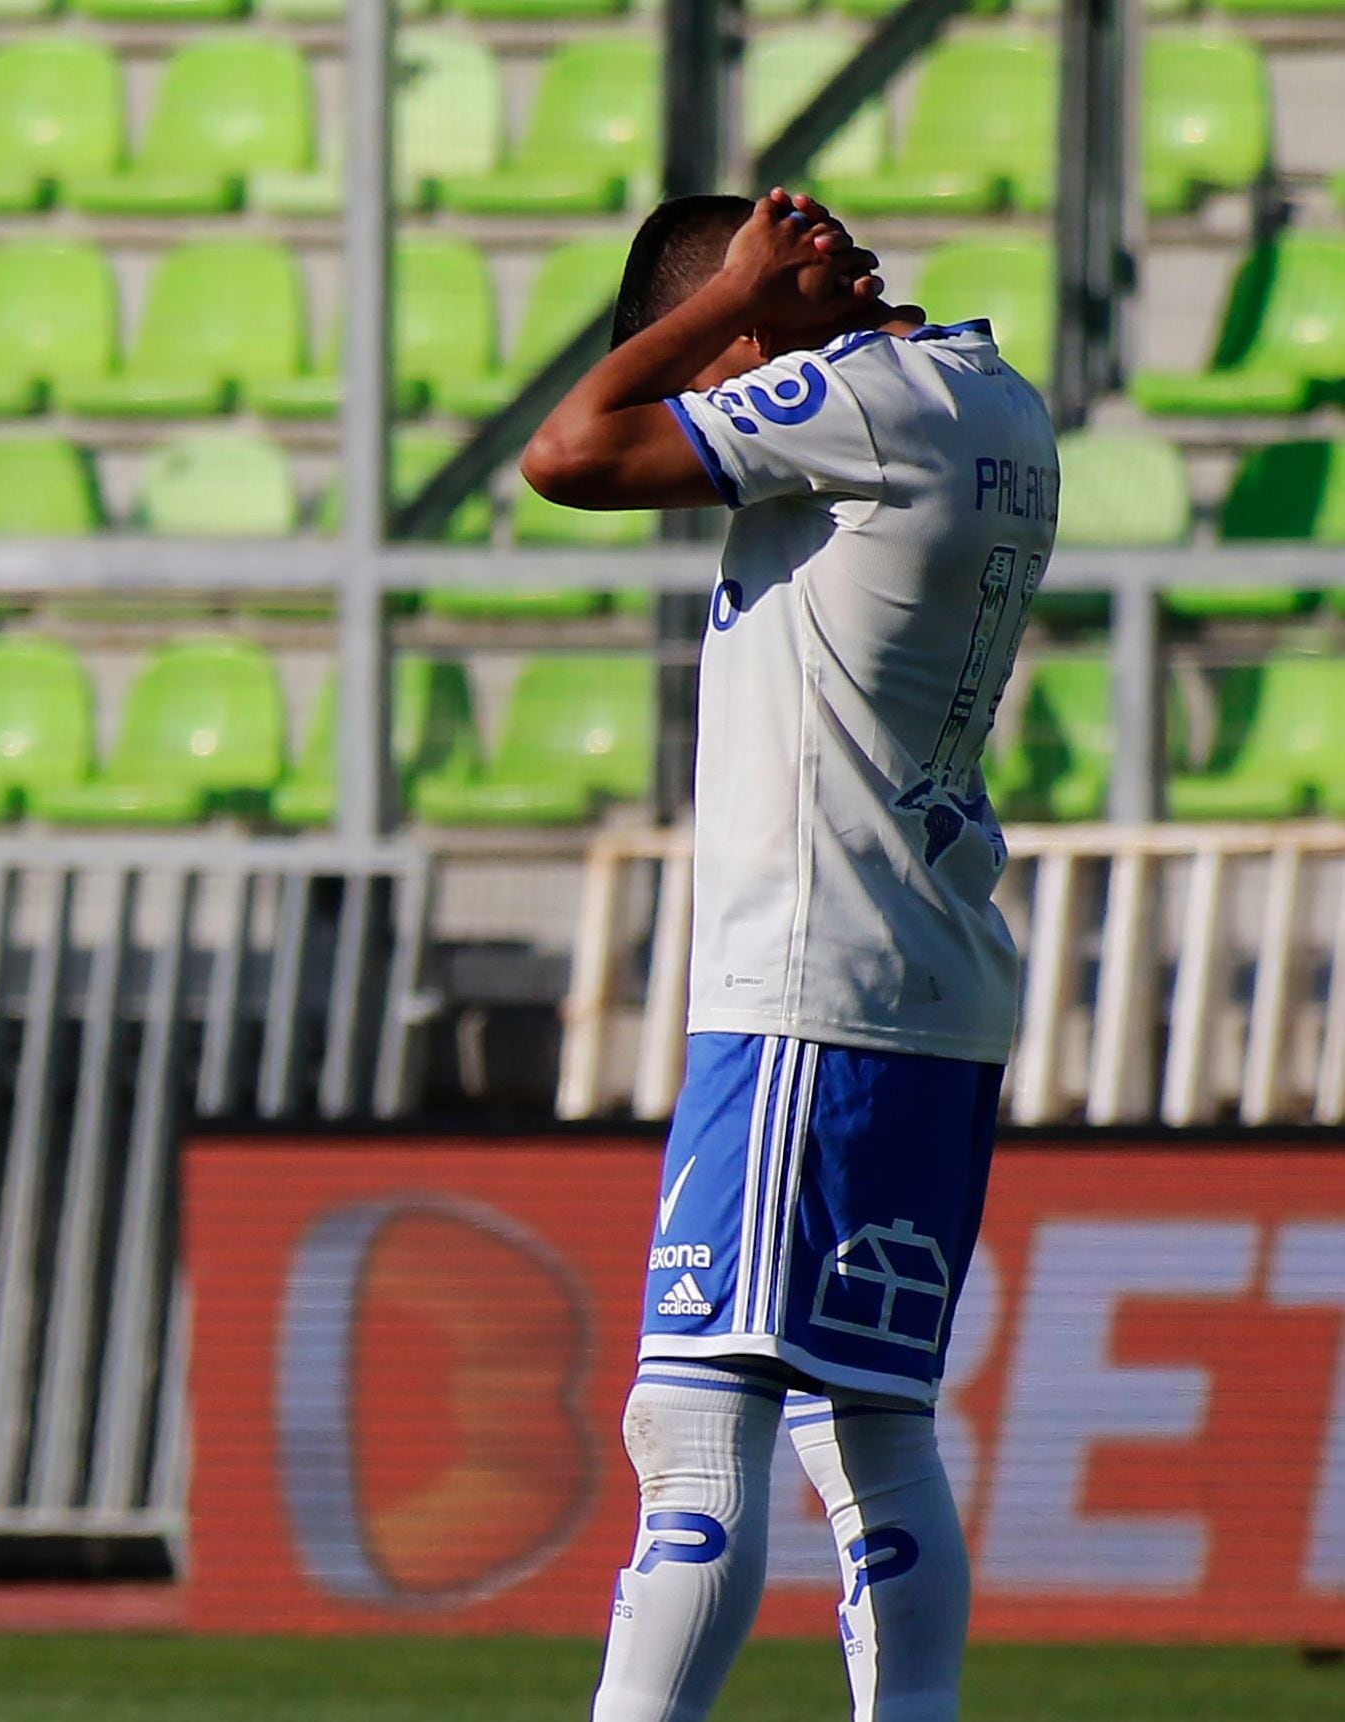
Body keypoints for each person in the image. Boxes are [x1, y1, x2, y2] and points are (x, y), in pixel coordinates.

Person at [521, 189, 1059, 1722]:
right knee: (870, 1427)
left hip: (807, 986)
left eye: (711, 365)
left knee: (691, 1427)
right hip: (934, 971)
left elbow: (566, 453)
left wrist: (735, 298)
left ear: (755, 339)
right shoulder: (995, 396)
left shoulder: (858, 404)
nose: (703, 416)